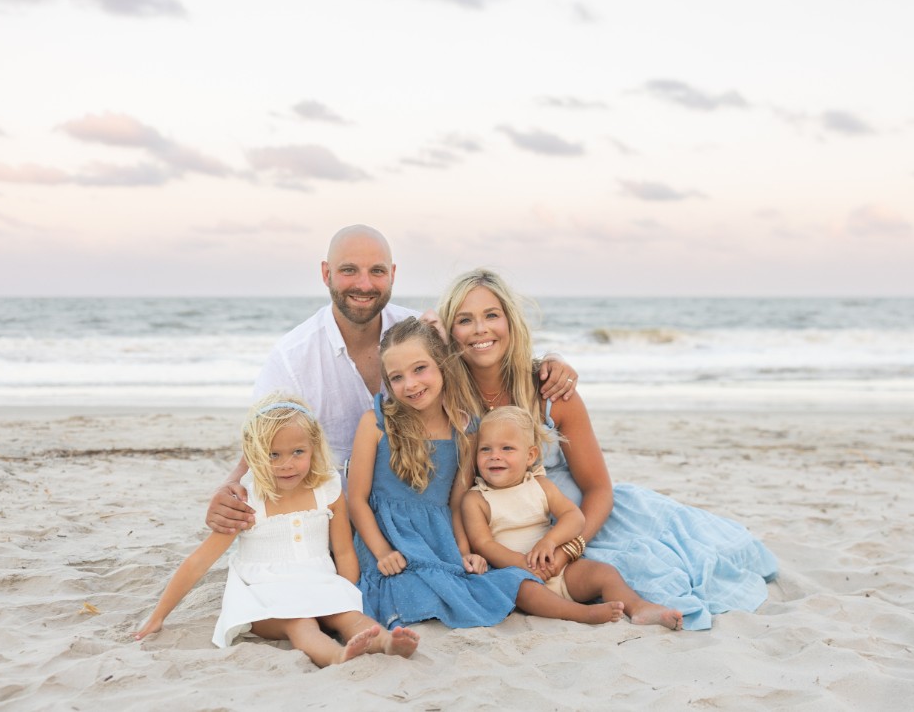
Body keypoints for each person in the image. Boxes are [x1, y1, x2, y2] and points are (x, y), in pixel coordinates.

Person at [438, 268, 779, 631]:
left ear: (511, 321)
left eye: (492, 315)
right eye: (464, 319)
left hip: (585, 524)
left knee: (651, 571)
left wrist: (572, 547)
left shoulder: (551, 391)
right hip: (508, 538)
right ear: (450, 331)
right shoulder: (445, 400)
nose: (480, 329)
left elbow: (599, 488)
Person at [206, 225, 577, 534]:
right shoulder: (292, 356)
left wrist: (549, 362)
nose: (364, 284)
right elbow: (263, 435)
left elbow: (483, 353)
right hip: (339, 514)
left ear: (393, 275)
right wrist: (230, 484)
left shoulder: (421, 333)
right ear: (326, 274)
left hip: (428, 512)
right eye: (349, 270)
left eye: (377, 272)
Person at [348, 318, 620, 628]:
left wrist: (464, 552)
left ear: (442, 365)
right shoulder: (375, 423)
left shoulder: (464, 429)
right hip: (388, 537)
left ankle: (577, 613)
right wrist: (382, 552)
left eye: (420, 369)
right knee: (409, 589)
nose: (410, 384)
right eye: (396, 377)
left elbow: (456, 503)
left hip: (440, 538)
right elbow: (356, 499)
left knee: (502, 583)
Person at [135, 392, 420, 667]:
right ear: (254, 453)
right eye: (273, 455)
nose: (287, 464)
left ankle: (386, 644)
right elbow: (199, 561)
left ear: (314, 446)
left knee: (350, 618)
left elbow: (344, 551)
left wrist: (346, 594)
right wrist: (158, 616)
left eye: (298, 452)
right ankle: (335, 656)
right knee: (301, 624)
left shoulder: (327, 489)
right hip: (264, 595)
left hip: (318, 582)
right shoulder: (247, 500)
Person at [463, 406, 683, 630]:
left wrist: (549, 541)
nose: (495, 456)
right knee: (523, 591)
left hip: (558, 568)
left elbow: (574, 517)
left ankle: (639, 607)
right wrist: (521, 565)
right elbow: (483, 543)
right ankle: (583, 613)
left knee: (604, 573)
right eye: (485, 449)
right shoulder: (477, 499)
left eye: (507, 448)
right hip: (517, 574)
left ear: (530, 456)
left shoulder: (540, 485)